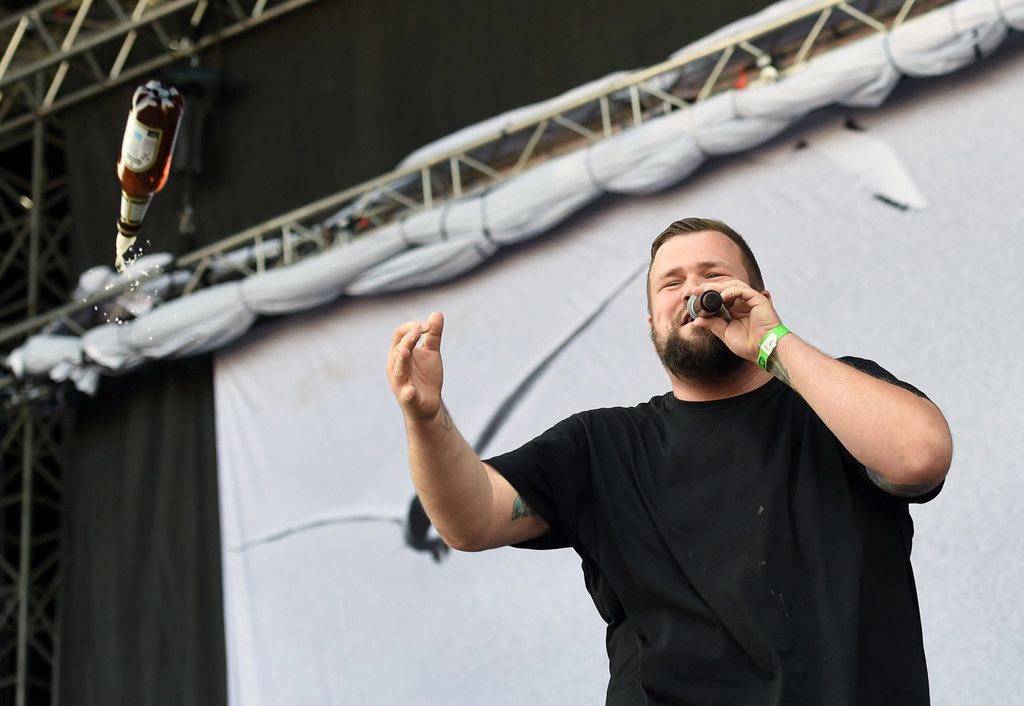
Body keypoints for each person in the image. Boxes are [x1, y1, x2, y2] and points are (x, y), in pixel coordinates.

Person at [386, 217, 952, 705]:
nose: (693, 291)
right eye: (671, 282)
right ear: (652, 321)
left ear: (758, 295)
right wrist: (426, 420)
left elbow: (920, 457)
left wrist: (772, 340)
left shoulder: (833, 399)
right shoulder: (601, 445)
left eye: (712, 274)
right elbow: (470, 521)